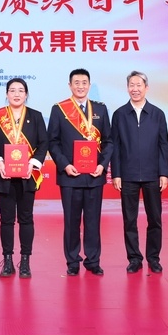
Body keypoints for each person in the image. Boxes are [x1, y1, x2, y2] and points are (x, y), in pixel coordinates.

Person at [47, 68, 112, 276]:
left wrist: (102, 165)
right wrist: (65, 164)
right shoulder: (59, 109)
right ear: (70, 85)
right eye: (76, 82)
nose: (80, 86)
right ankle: (72, 261)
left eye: (84, 82)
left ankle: (93, 260)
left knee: (93, 221)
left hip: (95, 175)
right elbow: (52, 142)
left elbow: (109, 141)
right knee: (71, 221)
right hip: (70, 176)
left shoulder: (100, 109)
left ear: (89, 85)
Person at [0, 78, 48, 278]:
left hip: (28, 175)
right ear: (6, 94)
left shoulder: (36, 116)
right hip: (4, 176)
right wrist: (0, 162)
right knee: (6, 219)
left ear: (26, 94)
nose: (16, 94)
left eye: (20, 90)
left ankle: (25, 261)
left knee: (26, 218)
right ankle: (8, 261)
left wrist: (32, 164)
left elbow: (43, 143)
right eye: (12, 90)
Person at [110, 71, 168, 274]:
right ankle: (134, 258)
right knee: (129, 219)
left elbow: (163, 145)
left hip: (153, 175)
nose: (135, 89)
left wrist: (164, 173)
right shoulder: (119, 114)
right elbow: (115, 146)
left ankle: (153, 258)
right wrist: (116, 174)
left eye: (139, 85)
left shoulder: (157, 114)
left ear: (146, 88)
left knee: (155, 219)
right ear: (127, 88)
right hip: (128, 175)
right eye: (131, 85)